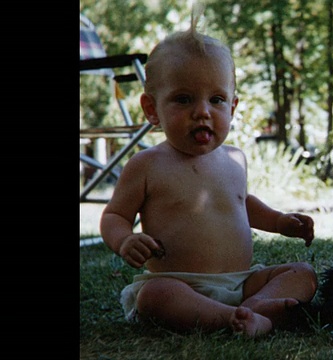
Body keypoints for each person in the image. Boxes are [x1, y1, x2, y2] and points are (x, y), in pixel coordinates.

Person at [99, 9, 317, 337]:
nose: (202, 112)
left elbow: (241, 203)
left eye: (216, 100)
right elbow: (114, 215)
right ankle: (233, 318)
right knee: (155, 297)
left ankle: (252, 310)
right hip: (180, 284)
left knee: (303, 273)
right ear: (151, 109)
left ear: (232, 107)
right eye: (183, 99)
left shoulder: (234, 159)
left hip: (243, 281)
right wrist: (124, 239)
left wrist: (278, 221)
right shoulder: (147, 164)